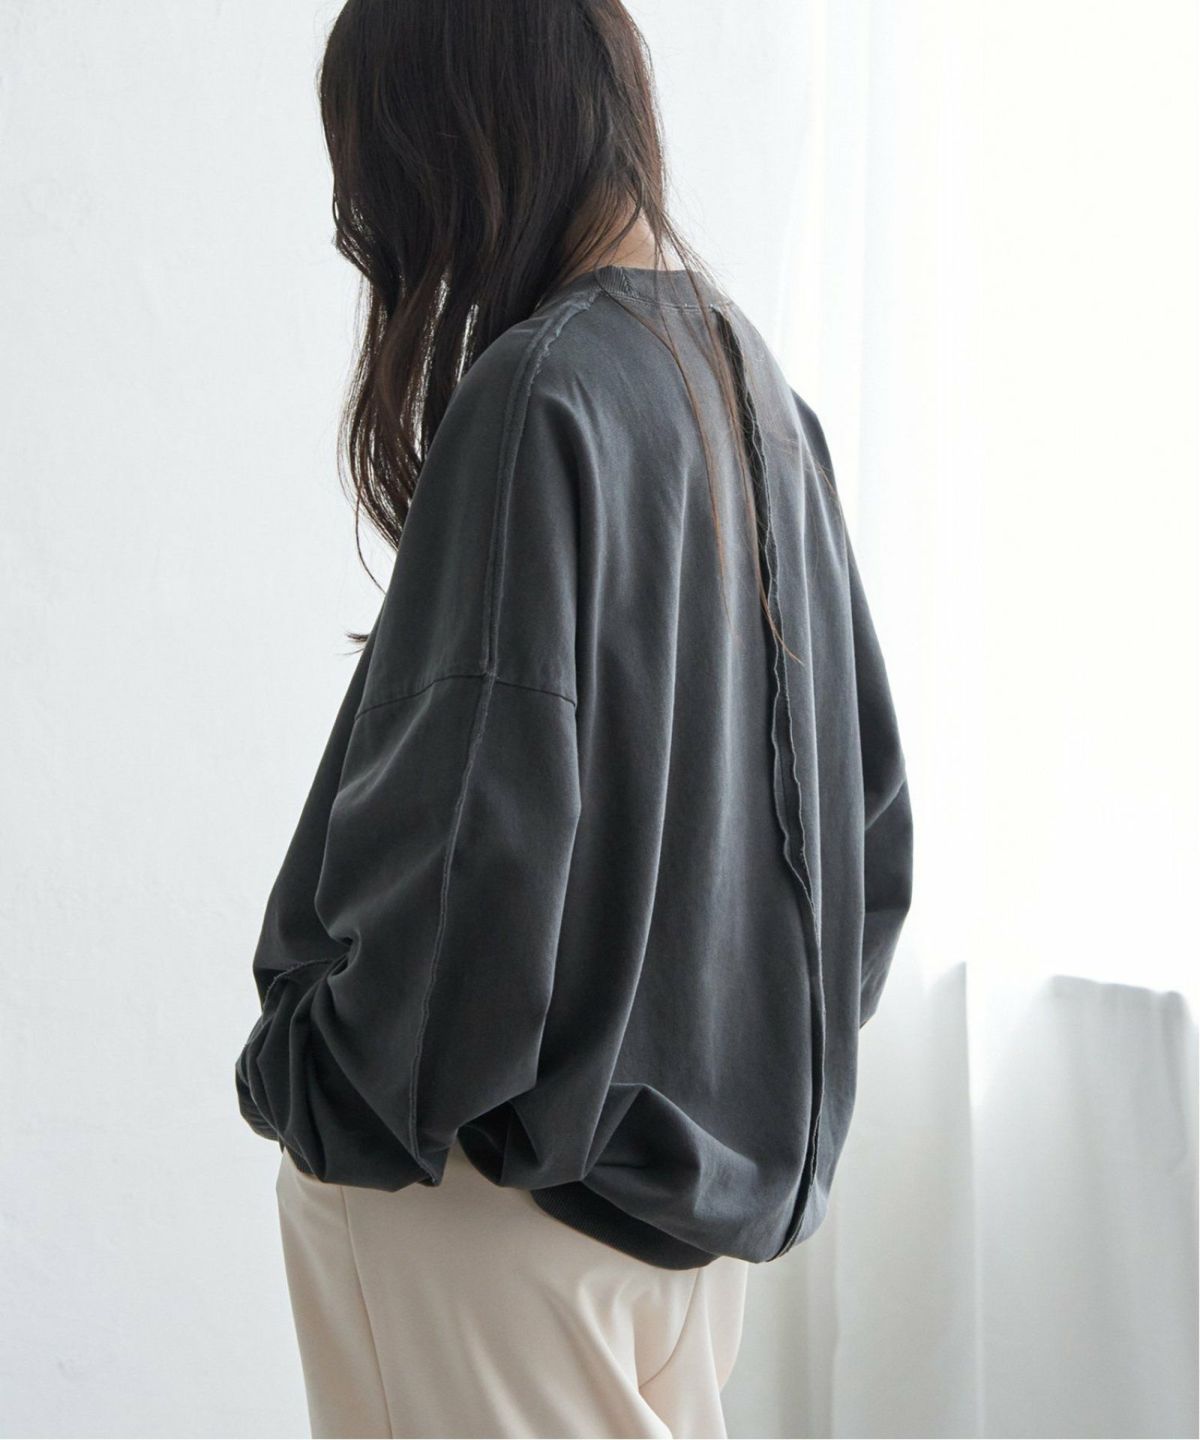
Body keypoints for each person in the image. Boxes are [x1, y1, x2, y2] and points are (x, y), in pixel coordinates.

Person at [233, 1, 914, 1435]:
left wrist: (321, 1077)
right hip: (679, 1237)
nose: (370, 224)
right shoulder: (758, 394)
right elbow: (866, 844)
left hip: (478, 1213)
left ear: (449, 139)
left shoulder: (541, 391)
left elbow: (469, 857)